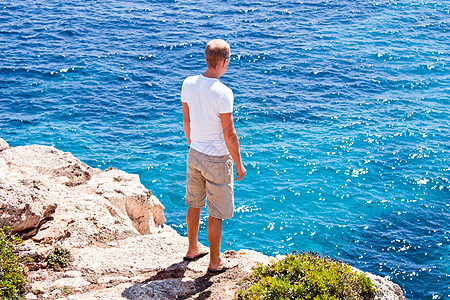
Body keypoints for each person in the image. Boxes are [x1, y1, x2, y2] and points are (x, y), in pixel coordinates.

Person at [181, 39, 246, 273]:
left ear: (206, 59)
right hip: (217, 159)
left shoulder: (188, 83)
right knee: (216, 213)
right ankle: (215, 261)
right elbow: (230, 133)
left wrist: (192, 143)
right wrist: (238, 164)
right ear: (225, 62)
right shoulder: (223, 92)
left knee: (194, 203)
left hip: (194, 153)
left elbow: (186, 120)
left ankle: (192, 249)